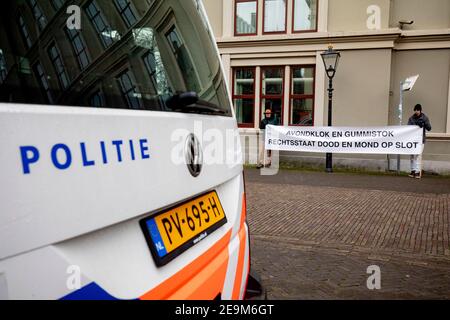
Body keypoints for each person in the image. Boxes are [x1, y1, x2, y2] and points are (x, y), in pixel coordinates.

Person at [407, 104, 431, 179]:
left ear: (420, 110)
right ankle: (413, 170)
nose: (416, 111)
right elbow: (407, 128)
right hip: (413, 140)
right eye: (415, 110)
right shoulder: (411, 118)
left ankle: (417, 172)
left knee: (418, 156)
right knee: (412, 156)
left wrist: (424, 124)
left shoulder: (424, 118)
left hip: (421, 140)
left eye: (418, 110)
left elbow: (429, 128)